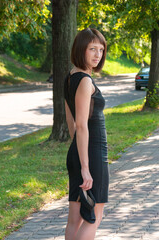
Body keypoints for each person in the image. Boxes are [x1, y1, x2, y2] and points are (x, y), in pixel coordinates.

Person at [64, 28, 109, 240]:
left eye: (101, 49)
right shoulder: (85, 81)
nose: (97, 54)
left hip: (79, 152)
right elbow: (80, 125)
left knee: (75, 219)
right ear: (81, 49)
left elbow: (70, 122)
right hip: (92, 156)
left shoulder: (69, 77)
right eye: (92, 49)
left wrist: (76, 154)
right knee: (94, 216)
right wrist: (85, 167)